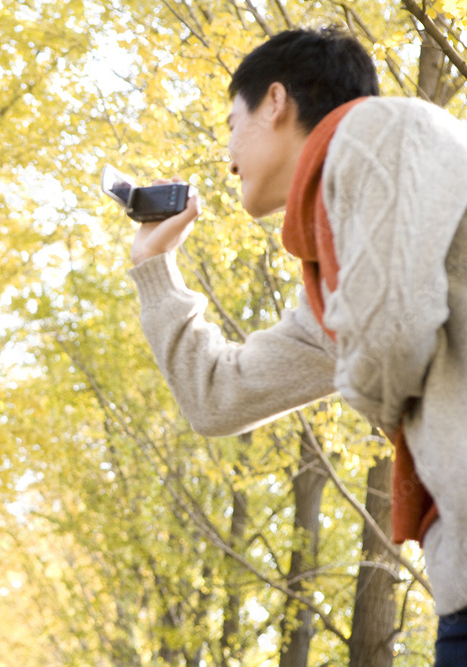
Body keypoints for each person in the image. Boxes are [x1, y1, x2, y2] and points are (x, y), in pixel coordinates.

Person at [126, 27, 467, 663]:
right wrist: (154, 267)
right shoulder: (338, 282)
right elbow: (219, 399)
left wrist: (365, 382)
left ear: (275, 101)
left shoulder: (379, 132)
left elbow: (389, 335)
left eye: (233, 123)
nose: (228, 155)